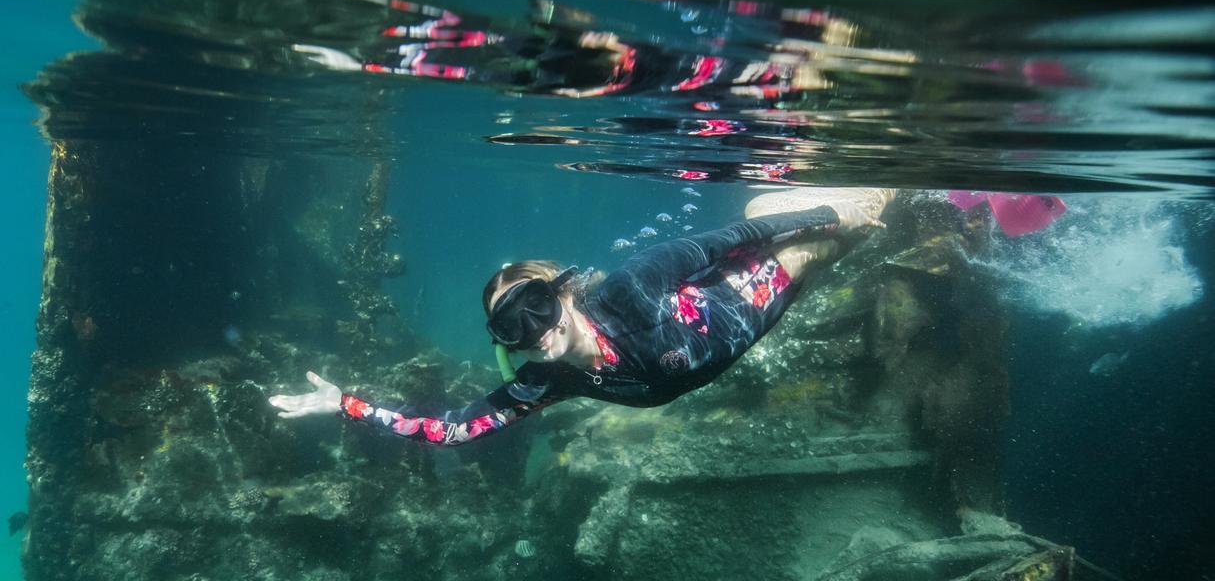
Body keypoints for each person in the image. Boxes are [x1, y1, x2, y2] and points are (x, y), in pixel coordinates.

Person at [268, 189, 895, 446]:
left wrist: (834, 219)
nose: (534, 332)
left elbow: (737, 234)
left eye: (536, 307)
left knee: (829, 242)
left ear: (563, 293)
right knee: (816, 256)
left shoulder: (629, 287)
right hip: (751, 333)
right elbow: (450, 429)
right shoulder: (549, 381)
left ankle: (883, 187)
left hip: (750, 288)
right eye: (511, 329)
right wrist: (344, 405)